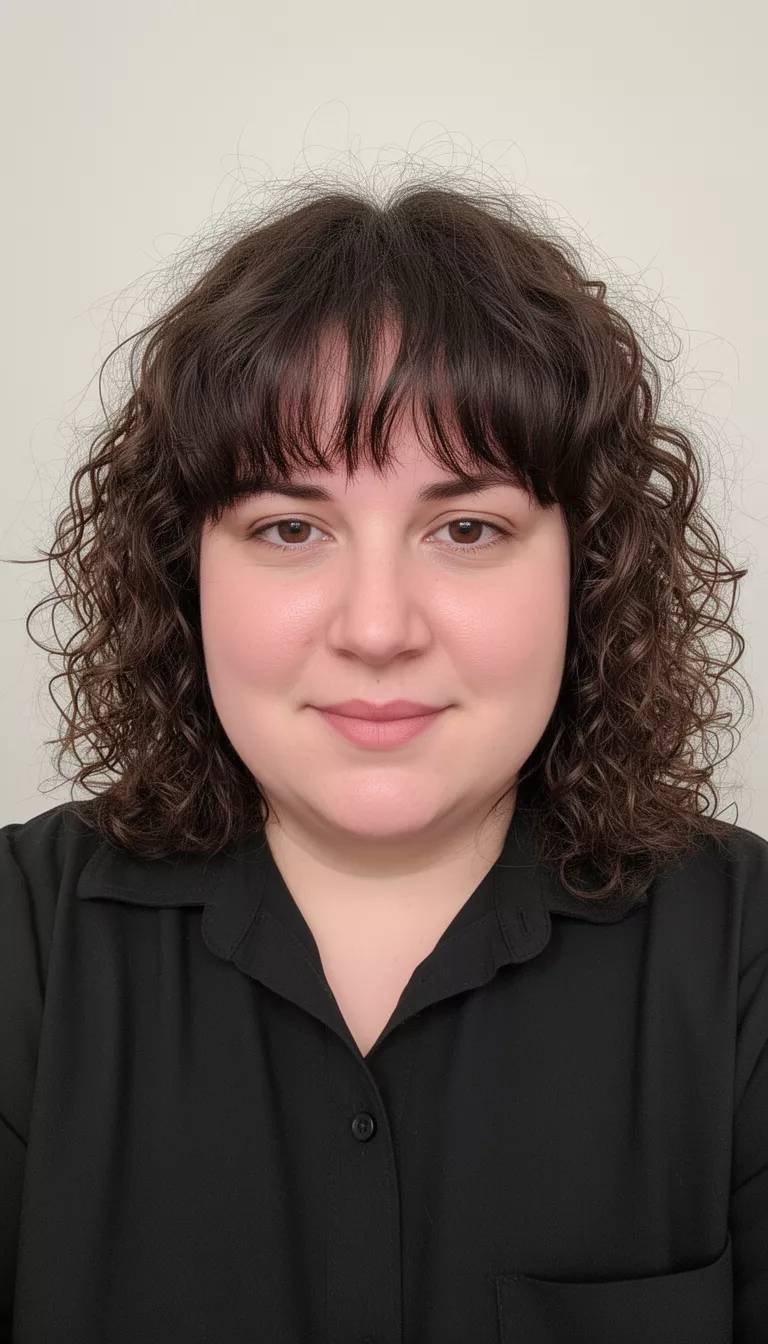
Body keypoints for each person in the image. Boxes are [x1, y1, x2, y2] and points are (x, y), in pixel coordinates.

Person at [0, 175, 764, 1342]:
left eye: (467, 529)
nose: (375, 626)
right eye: (289, 529)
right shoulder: (22, 952)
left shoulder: (746, 956)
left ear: (590, 570)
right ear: (182, 569)